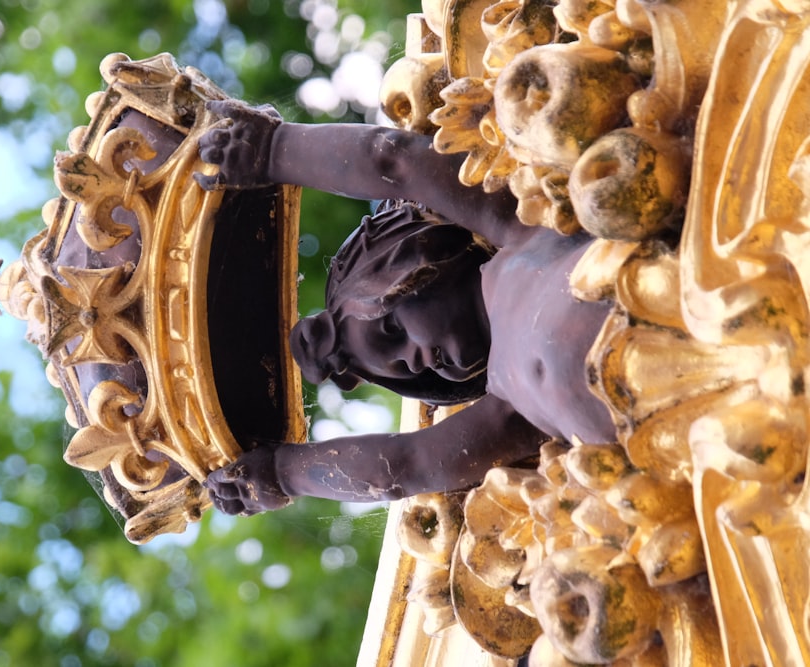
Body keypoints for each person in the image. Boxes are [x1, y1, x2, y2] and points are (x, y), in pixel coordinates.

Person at [195, 100, 615, 516]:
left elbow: (394, 161)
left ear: (410, 254)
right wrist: (283, 473)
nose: (415, 356)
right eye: (404, 368)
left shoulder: (520, 225)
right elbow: (404, 465)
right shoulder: (507, 412)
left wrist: (273, 150)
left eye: (393, 331)